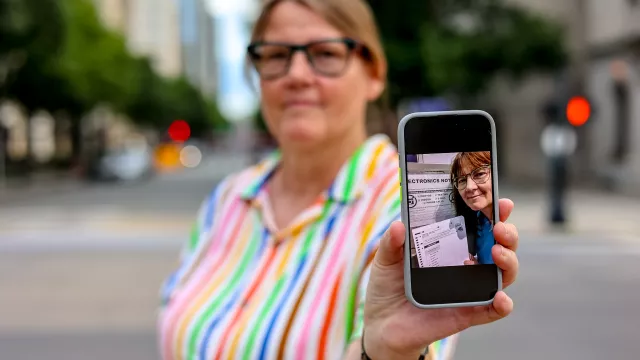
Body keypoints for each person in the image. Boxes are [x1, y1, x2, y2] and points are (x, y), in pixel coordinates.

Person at [157, 1, 520, 359]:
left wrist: (385, 353)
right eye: (275, 55)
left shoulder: (407, 206)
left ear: (374, 74)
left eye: (326, 53)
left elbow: (400, 337)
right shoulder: (226, 200)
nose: (296, 74)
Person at [450, 152, 495, 266]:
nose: (470, 187)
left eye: (479, 174)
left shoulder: (504, 222)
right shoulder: (477, 218)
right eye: (462, 180)